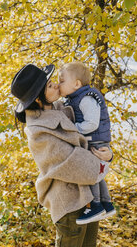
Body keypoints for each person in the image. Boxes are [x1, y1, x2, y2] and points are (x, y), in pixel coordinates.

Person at [11, 63, 113, 247]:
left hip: (88, 196)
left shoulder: (62, 108)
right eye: (50, 86)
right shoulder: (37, 131)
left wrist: (107, 154)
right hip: (69, 202)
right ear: (38, 99)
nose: (57, 85)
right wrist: (102, 165)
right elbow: (71, 161)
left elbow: (94, 135)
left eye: (53, 82)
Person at [58, 61, 116, 225]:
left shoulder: (85, 98)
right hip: (96, 139)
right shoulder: (77, 97)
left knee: (90, 173)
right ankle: (107, 203)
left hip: (95, 140)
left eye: (62, 81)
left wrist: (73, 129)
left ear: (76, 84)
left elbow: (91, 124)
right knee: (98, 175)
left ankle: (95, 205)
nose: (59, 85)